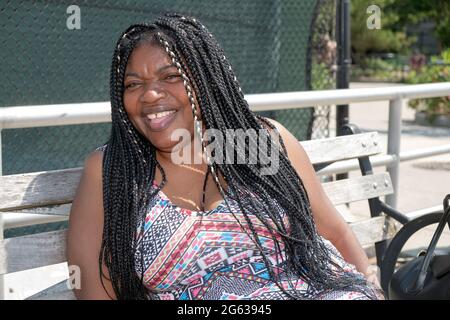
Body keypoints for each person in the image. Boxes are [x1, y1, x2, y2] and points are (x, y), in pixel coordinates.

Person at [67, 13, 382, 300]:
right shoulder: (112, 170)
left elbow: (335, 231)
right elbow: (92, 287)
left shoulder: (259, 143)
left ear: (204, 80)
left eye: (171, 76)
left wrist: (373, 289)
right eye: (133, 84)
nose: (150, 94)